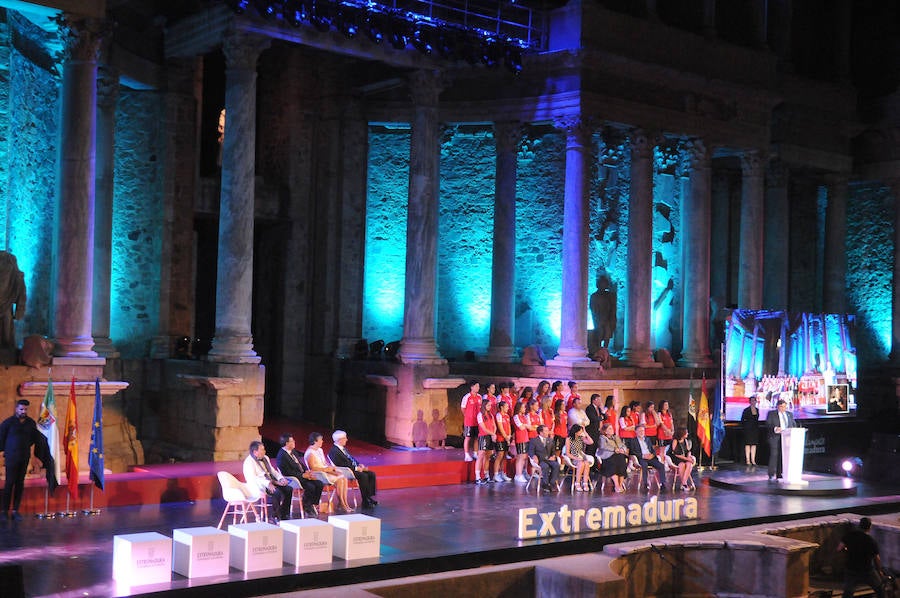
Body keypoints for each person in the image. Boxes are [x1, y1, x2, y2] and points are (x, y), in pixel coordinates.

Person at [0, 399, 52, 521]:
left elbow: (36, 438)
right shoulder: (8, 423)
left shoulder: (30, 423)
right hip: (11, 458)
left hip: (24, 458)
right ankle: (4, 512)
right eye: (21, 409)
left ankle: (15, 511)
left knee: (20, 484)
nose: (23, 411)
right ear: (16, 409)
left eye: (25, 409)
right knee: (9, 483)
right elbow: (1, 438)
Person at [275, 433, 324, 517]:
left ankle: (312, 503)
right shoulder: (282, 455)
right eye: (292, 441)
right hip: (294, 478)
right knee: (311, 486)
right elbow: (287, 472)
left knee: (319, 484)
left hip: (302, 475)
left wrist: (307, 472)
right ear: (287, 443)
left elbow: (300, 464)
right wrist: (302, 475)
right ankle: (307, 505)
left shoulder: (293, 451)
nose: (294, 442)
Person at [243, 440, 293, 522]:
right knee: (276, 492)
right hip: (259, 485)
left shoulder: (265, 458)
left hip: (271, 481)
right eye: (262, 450)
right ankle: (275, 516)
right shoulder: (249, 462)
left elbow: (272, 471)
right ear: (255, 452)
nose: (264, 451)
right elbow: (254, 479)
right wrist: (268, 483)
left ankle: (284, 514)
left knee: (288, 489)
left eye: (264, 449)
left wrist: (281, 478)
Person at [837, 517, 886, 598]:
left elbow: (839, 549)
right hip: (867, 570)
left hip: (851, 569)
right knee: (880, 589)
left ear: (859, 525)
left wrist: (848, 552)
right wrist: (880, 572)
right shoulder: (871, 541)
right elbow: (876, 558)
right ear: (870, 527)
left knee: (848, 593)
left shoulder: (850, 535)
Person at [328, 430, 378, 509]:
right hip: (345, 471)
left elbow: (351, 459)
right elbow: (341, 465)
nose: (346, 440)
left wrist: (359, 465)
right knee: (363, 476)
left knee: (371, 474)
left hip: (353, 468)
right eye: (345, 438)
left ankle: (368, 497)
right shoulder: (334, 451)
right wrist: (356, 468)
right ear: (339, 440)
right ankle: (365, 500)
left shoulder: (343, 449)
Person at [304, 432, 352, 512]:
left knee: (343, 477)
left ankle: (344, 503)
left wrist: (332, 468)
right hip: (318, 474)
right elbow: (313, 468)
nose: (322, 441)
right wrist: (327, 470)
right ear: (315, 441)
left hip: (325, 471)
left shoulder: (320, 450)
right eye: (321, 440)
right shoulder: (310, 453)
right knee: (340, 479)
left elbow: (324, 463)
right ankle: (342, 504)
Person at [765, 399, 796, 481]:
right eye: (782, 407)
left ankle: (780, 474)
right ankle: (771, 474)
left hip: (786, 438)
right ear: (778, 406)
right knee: (774, 455)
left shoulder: (789, 414)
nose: (783, 408)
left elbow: (793, 424)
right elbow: (768, 424)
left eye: (785, 407)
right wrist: (775, 428)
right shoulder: (772, 414)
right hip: (775, 438)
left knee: (784, 456)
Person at [634, 424, 667, 492]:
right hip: (641, 458)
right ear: (636, 432)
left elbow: (652, 450)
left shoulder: (647, 439)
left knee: (661, 465)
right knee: (644, 465)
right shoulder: (633, 441)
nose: (641, 432)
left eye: (643, 431)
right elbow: (633, 452)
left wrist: (652, 455)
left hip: (650, 457)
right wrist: (643, 456)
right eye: (639, 431)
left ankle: (662, 484)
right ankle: (645, 484)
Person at [527, 424, 560, 492]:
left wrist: (553, 456)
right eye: (546, 431)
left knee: (556, 465)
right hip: (540, 460)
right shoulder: (534, 440)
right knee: (545, 466)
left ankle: (551, 483)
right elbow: (530, 451)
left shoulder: (550, 440)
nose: (548, 432)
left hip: (549, 459)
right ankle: (545, 484)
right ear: (541, 432)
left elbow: (553, 451)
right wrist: (534, 456)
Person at [597, 423, 628, 493]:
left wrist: (622, 449)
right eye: (610, 429)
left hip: (617, 456)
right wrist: (614, 449)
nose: (612, 430)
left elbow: (622, 445)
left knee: (622, 460)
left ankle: (620, 485)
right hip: (607, 458)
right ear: (605, 431)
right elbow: (603, 446)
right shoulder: (602, 438)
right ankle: (616, 485)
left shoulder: (615, 437)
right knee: (613, 463)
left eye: (612, 428)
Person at [563, 424, 594, 491]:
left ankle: (585, 483)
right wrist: (576, 458)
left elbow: (591, 442)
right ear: (576, 432)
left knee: (586, 463)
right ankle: (577, 483)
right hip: (573, 457)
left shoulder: (581, 438)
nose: (581, 432)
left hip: (581, 456)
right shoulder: (569, 439)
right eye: (580, 431)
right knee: (581, 464)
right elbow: (568, 453)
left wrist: (585, 432)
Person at [474, 398, 496, 484]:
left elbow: (494, 425)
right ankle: (477, 477)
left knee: (488, 456)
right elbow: (483, 428)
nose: (490, 407)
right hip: (483, 436)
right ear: (484, 406)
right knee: (481, 455)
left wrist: (493, 433)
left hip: (490, 436)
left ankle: (486, 475)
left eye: (490, 405)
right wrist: (492, 434)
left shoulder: (491, 415)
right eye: (488, 405)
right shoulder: (480, 415)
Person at [460, 380, 481, 462]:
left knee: (476, 438)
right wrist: (468, 416)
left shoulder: (479, 397)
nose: (477, 388)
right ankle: (466, 454)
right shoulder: (467, 397)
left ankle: (475, 453)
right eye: (476, 386)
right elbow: (463, 408)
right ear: (472, 387)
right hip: (469, 421)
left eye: (478, 386)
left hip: (477, 421)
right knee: (468, 438)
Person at [493, 400, 512, 482]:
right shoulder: (498, 415)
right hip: (500, 438)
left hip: (507, 438)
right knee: (499, 456)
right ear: (501, 407)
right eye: (506, 407)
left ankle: (502, 473)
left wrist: (509, 436)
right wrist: (505, 437)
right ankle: (496, 475)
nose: (508, 408)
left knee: (504, 456)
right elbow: (500, 428)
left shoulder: (507, 416)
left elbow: (509, 427)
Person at [740, 396, 760, 466]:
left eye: (754, 401)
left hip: (755, 430)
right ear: (750, 402)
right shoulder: (746, 410)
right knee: (748, 444)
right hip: (748, 430)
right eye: (752, 401)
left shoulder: (757, 410)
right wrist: (746, 427)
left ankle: (753, 460)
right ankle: (748, 460)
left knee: (754, 444)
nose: (753, 402)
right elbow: (742, 420)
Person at [584, 393, 603, 458]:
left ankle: (594, 466)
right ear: (594, 400)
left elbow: (604, 416)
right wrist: (601, 418)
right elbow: (593, 418)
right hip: (591, 432)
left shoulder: (599, 409)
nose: (600, 402)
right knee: (590, 449)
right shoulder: (589, 408)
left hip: (597, 432)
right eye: (599, 400)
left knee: (595, 449)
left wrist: (601, 416)